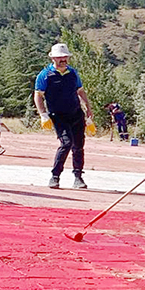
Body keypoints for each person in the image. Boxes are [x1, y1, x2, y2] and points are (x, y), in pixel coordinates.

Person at [33, 43, 95, 190]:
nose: (63, 59)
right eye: (60, 57)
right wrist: (43, 114)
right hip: (58, 115)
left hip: (76, 114)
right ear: (53, 58)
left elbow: (80, 91)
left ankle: (78, 177)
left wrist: (88, 108)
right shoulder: (45, 75)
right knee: (66, 143)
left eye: (65, 57)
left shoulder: (73, 73)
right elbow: (38, 95)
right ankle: (55, 176)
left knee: (78, 145)